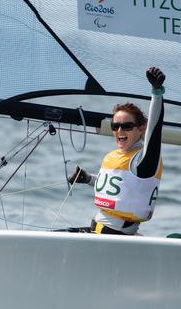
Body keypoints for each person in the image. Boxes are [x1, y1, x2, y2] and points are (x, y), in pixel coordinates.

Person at [68, 67, 165, 235]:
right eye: (115, 126)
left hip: (116, 237)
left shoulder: (144, 160)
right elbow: (122, 185)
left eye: (127, 126)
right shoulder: (114, 157)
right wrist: (88, 178)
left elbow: (154, 130)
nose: (120, 131)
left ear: (141, 129)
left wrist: (157, 93)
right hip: (96, 229)